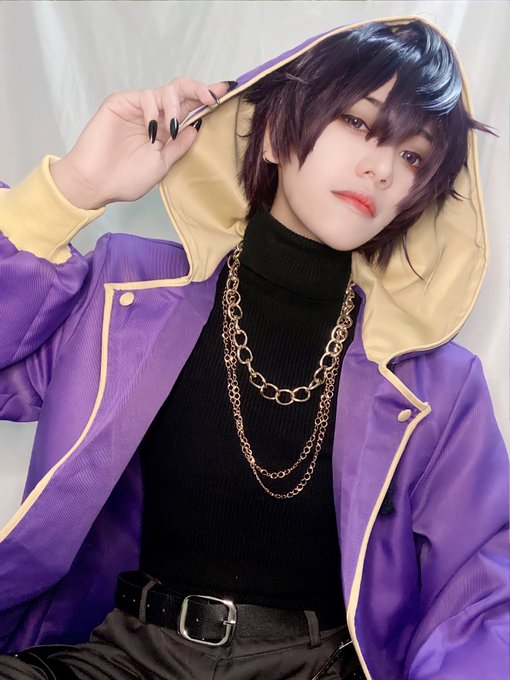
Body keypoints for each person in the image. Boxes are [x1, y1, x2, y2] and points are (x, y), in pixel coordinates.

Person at [0, 13, 508, 680]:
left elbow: (483, 594)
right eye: (357, 121)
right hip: (125, 656)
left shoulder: (437, 384)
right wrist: (72, 188)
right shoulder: (127, 290)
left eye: (412, 156)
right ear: (271, 133)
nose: (381, 167)